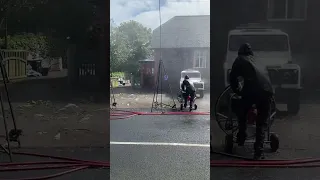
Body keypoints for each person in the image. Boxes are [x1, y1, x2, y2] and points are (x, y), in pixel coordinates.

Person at [229, 43, 274, 160]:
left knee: (241, 112)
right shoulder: (257, 60)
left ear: (240, 52)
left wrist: (238, 91)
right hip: (267, 92)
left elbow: (233, 78)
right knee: (262, 123)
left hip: (252, 92)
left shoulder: (239, 59)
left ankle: (241, 137)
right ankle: (258, 152)